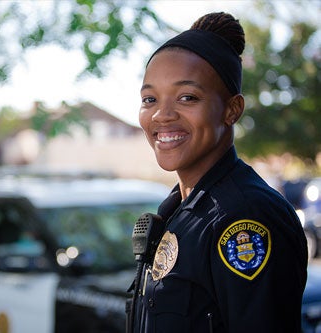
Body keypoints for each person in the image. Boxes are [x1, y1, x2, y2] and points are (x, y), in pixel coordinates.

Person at [128, 12, 308, 333]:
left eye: (187, 97)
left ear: (231, 109)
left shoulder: (244, 216)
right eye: (149, 99)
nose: (162, 115)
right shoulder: (181, 209)